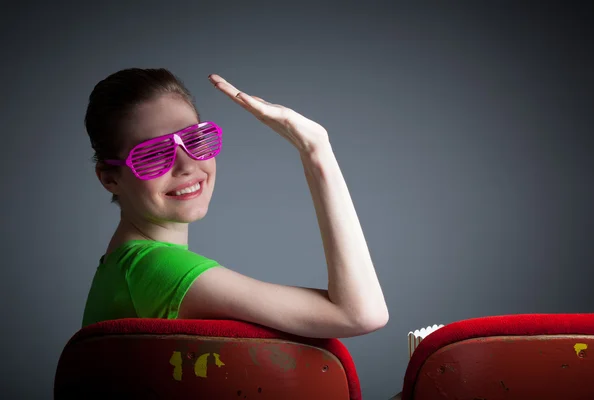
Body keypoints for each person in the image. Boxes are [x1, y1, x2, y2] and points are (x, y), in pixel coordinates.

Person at [82, 68, 389, 339]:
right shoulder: (156, 271)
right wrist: (316, 148)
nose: (186, 165)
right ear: (110, 179)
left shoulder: (122, 267)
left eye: (194, 139)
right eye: (152, 154)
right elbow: (361, 314)